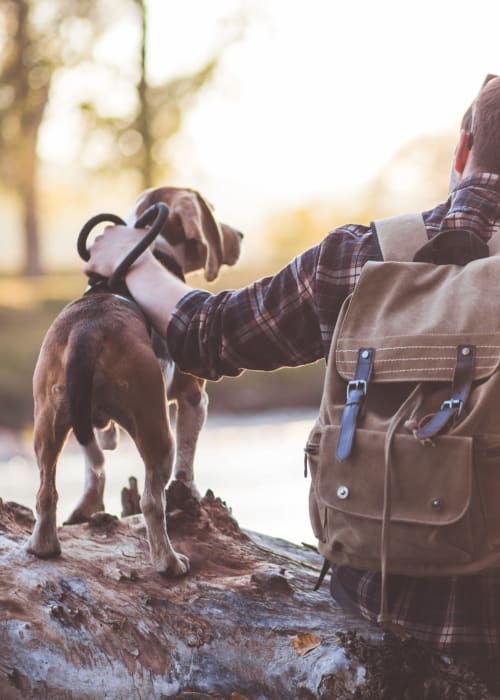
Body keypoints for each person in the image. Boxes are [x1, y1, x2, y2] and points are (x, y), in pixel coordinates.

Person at [85, 75, 500, 692]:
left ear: (462, 152)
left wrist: (136, 260)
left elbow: (210, 333)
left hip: (378, 617)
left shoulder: (361, 257)